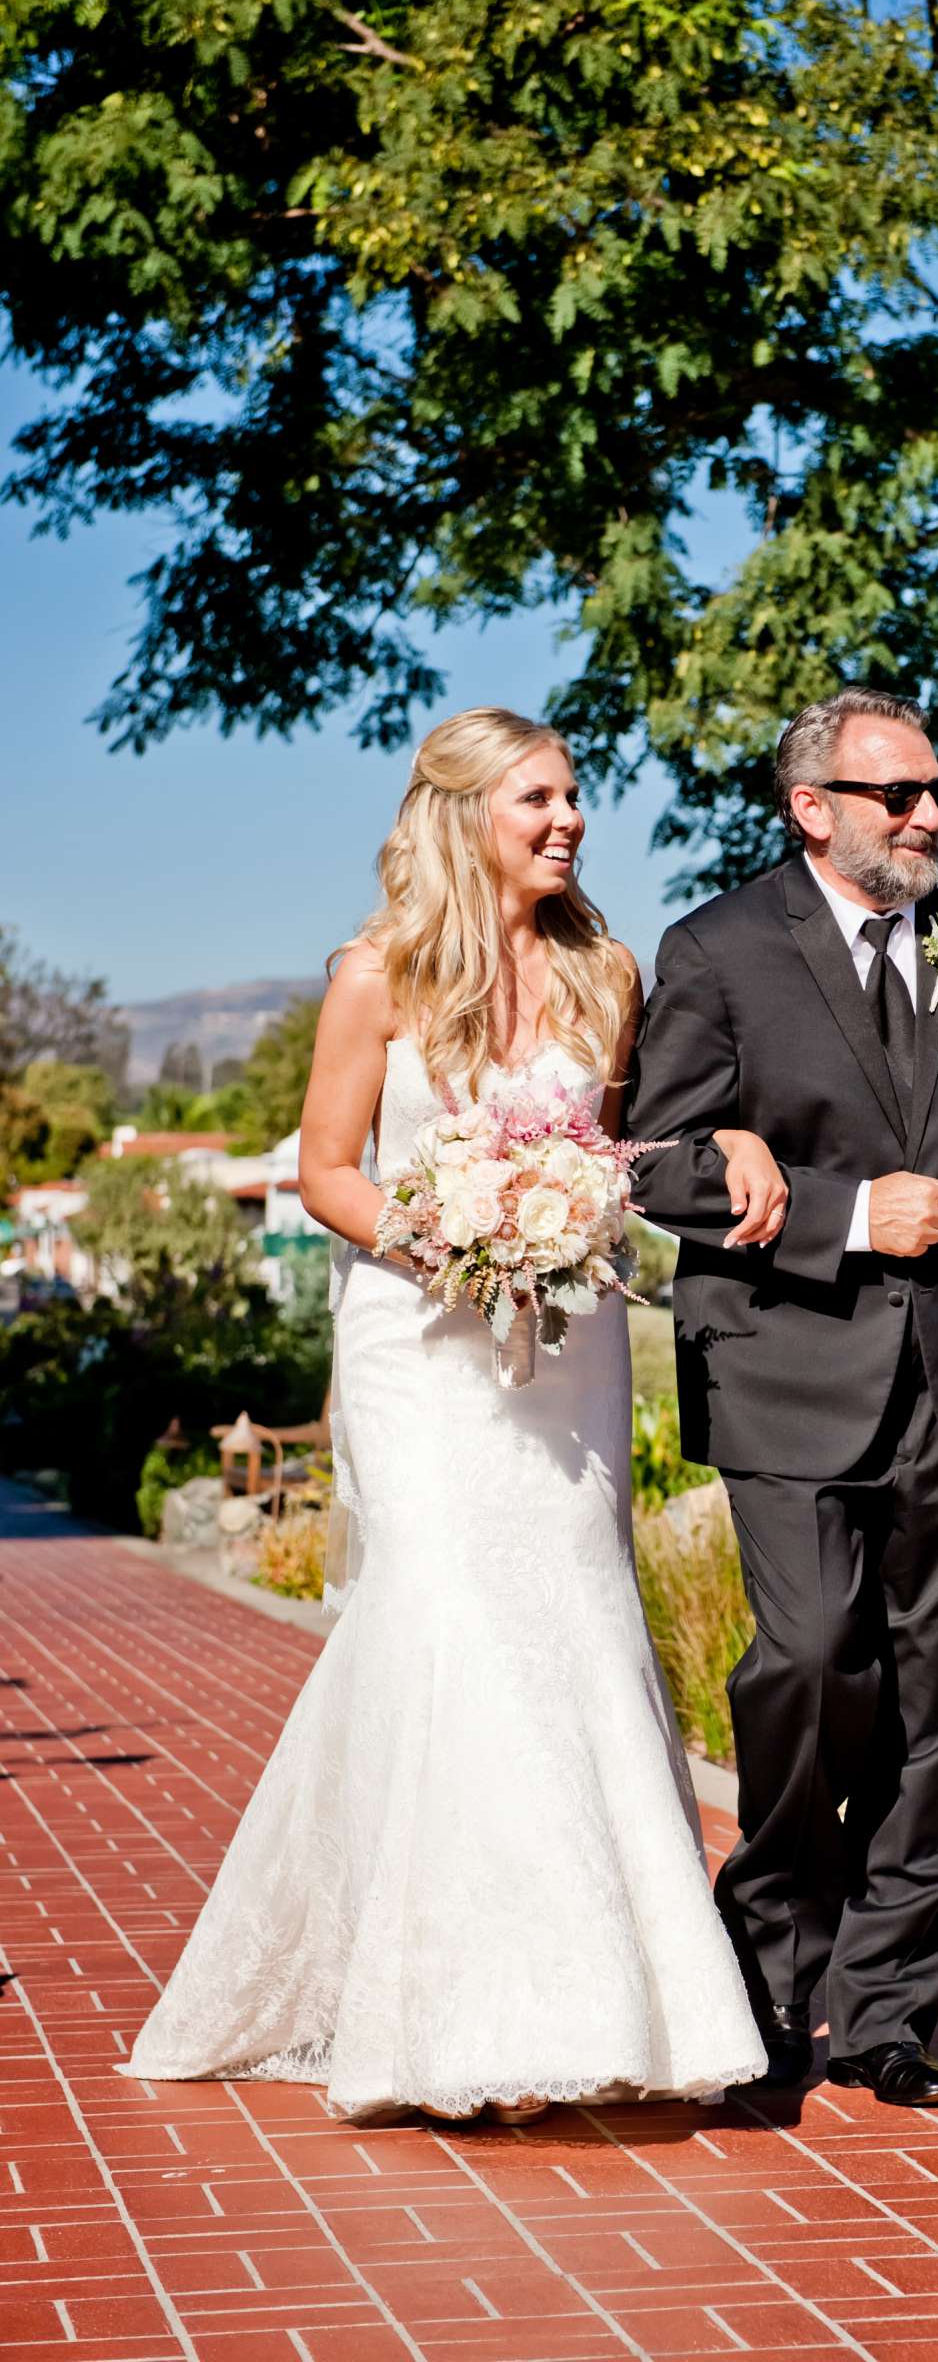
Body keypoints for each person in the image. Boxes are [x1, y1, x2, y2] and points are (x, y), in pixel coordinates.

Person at [126, 707, 772, 2124]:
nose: (570, 819)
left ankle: (605, 2005)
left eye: (576, 795)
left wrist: (710, 1147)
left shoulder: (607, 973)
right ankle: (443, 2011)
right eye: (539, 796)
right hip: (422, 1346)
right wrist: (455, 1245)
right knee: (444, 1614)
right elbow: (329, 1170)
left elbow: (626, 1151)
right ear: (464, 811)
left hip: (570, 1345)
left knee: (572, 1613)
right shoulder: (380, 975)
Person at [625, 686, 938, 2110]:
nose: (927, 816)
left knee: (933, 1703)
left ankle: (895, 2011)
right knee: (809, 1663)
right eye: (895, 795)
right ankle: (775, 1973)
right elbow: (657, 1165)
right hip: (784, 1372)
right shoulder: (717, 949)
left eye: (935, 791)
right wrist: (845, 1216)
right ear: (813, 809)